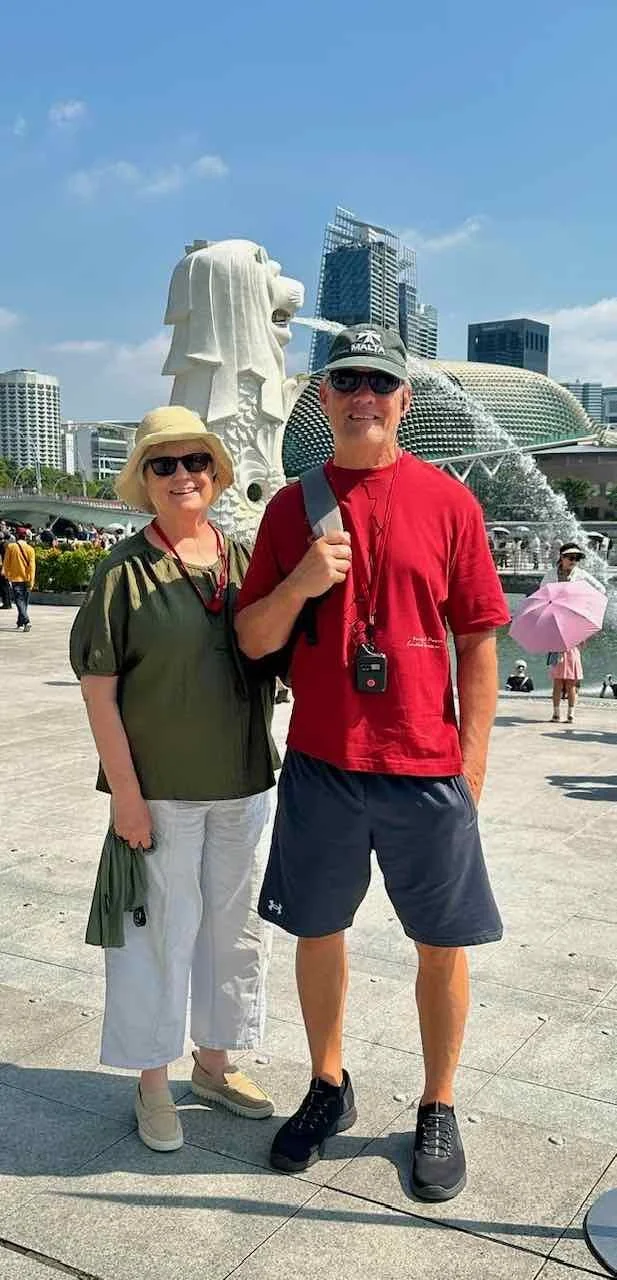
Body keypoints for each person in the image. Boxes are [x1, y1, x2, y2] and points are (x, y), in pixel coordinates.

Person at [236, 324, 510, 1201]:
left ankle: (436, 1102)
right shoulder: (290, 507)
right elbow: (251, 639)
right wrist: (299, 582)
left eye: (379, 383)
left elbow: (477, 639)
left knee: (440, 941)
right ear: (323, 396)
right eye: (346, 379)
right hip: (322, 760)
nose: (364, 394)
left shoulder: (447, 502)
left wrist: (469, 765)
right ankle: (327, 1083)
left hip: (424, 767)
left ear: (404, 401)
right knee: (318, 929)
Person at [69, 405, 278, 1154]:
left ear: (216, 474)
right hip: (158, 788)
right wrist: (124, 793)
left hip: (244, 781)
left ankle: (215, 1065)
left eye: (195, 461)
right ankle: (152, 1080)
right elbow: (98, 687)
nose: (182, 475)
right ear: (145, 481)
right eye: (164, 464)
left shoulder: (241, 557)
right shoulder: (123, 568)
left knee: (234, 932)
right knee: (156, 936)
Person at [541, 542, 606, 724]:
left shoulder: (581, 575)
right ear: (561, 557)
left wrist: (583, 602)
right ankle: (555, 713)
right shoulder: (550, 575)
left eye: (577, 558)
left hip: (574, 621)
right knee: (557, 678)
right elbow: (541, 595)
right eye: (570, 558)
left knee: (571, 677)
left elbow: (600, 589)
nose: (574, 561)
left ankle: (570, 713)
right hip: (555, 621)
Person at [2, 527, 36, 630]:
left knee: (19, 601)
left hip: (16, 579)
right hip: (27, 578)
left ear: (16, 536)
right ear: (25, 537)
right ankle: (20, 622)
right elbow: (32, 567)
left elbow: (6, 563)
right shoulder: (30, 549)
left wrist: (6, 575)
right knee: (24, 601)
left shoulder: (11, 547)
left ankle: (26, 621)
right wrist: (31, 581)